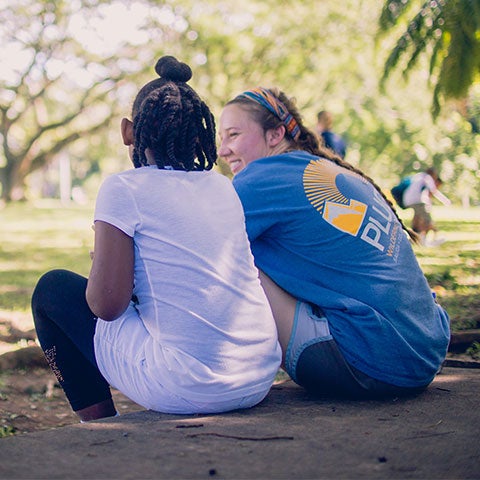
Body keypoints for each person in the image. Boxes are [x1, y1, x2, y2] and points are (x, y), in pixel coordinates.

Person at [31, 57, 282, 422]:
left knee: (51, 290)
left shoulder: (123, 187)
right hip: (257, 376)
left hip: (191, 385)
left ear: (127, 132)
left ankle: (99, 427)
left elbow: (105, 306)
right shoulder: (221, 186)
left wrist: (105, 264)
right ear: (200, 134)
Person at [218, 86, 450, 399]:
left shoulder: (259, 178)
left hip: (373, 365)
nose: (223, 151)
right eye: (221, 138)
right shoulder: (325, 168)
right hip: (425, 349)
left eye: (233, 135)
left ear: (274, 135)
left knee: (230, 252)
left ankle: (217, 381)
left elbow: (200, 251)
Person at [402, 167, 451, 246]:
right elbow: (433, 191)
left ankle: (414, 239)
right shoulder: (427, 178)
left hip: (408, 199)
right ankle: (426, 239)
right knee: (427, 219)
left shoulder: (419, 175)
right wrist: (445, 200)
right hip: (417, 200)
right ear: (433, 174)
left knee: (417, 219)